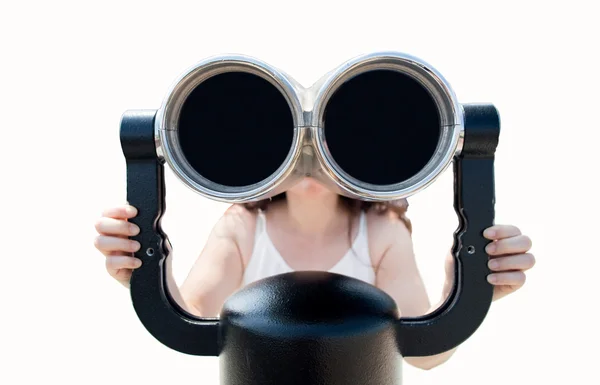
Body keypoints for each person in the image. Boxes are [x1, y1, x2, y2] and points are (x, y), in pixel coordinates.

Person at [94, 176, 535, 370]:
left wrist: (466, 288)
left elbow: (422, 352)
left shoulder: (381, 232)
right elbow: (194, 315)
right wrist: (145, 267)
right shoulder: (244, 226)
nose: (309, 157)